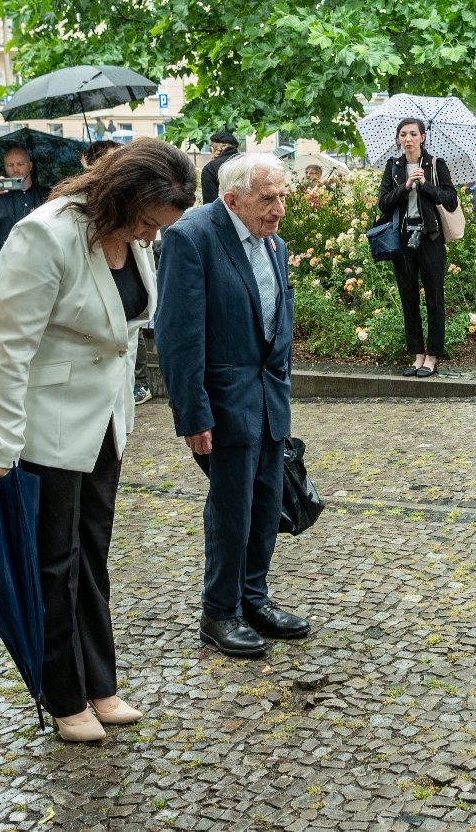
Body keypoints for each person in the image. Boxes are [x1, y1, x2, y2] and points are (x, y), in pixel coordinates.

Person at [0, 139, 196, 742]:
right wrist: (0, 444)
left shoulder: (131, 238)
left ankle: (100, 684)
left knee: (92, 555)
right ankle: (63, 694)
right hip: (45, 425)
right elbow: (6, 346)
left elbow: (124, 328)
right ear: (124, 198)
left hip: (104, 424)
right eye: (150, 224)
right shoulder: (45, 234)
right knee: (54, 564)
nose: (153, 238)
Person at [155, 153, 308, 660]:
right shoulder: (191, 237)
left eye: (283, 196)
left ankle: (254, 599)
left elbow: (277, 320)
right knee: (231, 512)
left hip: (268, 401)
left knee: (265, 507)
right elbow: (179, 336)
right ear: (232, 199)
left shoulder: (273, 243)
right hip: (222, 405)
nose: (280, 208)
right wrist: (193, 414)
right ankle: (219, 611)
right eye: (269, 198)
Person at [375, 117, 458, 377]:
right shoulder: (393, 167)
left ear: (423, 137)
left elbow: (451, 201)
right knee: (408, 298)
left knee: (434, 297)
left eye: (412, 134)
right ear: (398, 139)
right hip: (402, 240)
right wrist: (406, 186)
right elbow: (383, 204)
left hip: (430, 238)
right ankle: (417, 355)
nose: (407, 139)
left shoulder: (435, 164)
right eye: (403, 134)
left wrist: (426, 185)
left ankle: (432, 356)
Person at [0, 144, 48, 289]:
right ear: (5, 167)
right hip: (6, 271)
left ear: (30, 166)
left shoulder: (46, 195)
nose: (15, 169)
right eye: (10, 165)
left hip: (40, 268)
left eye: (20, 164)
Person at [200, 130, 240, 204]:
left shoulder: (210, 169)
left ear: (213, 149)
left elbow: (209, 204)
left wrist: (213, 162)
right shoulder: (249, 163)